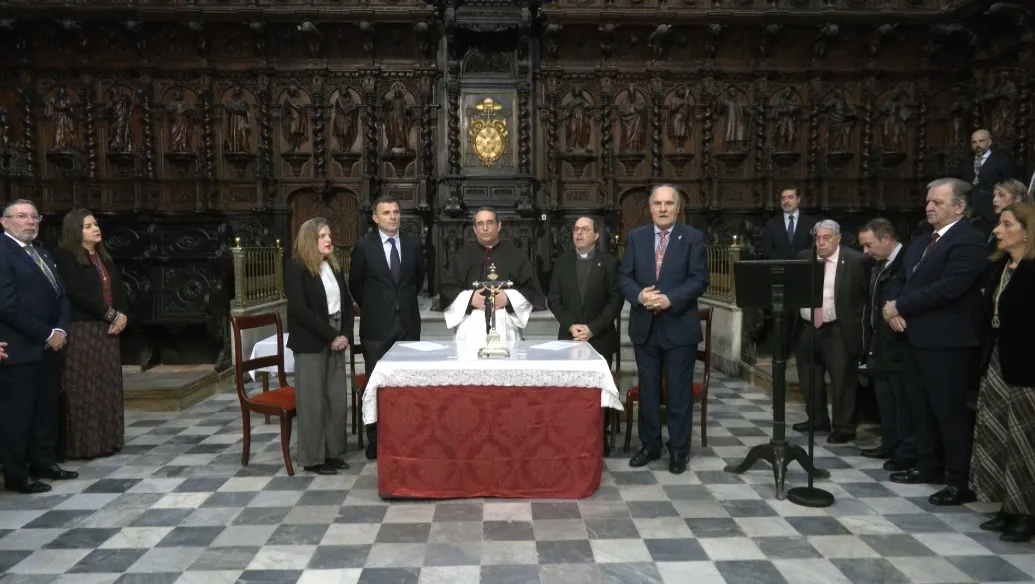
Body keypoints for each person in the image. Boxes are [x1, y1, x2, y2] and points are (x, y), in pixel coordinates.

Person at [882, 178, 988, 506]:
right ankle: (927, 464)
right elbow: (901, 277)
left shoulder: (969, 241)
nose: (929, 206)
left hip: (947, 341)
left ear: (959, 207)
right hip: (913, 336)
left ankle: (958, 480)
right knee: (919, 406)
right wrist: (892, 308)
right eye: (928, 201)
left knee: (948, 411)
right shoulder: (922, 240)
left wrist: (899, 306)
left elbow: (948, 288)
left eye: (937, 202)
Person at [619, 184, 709, 474]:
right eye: (657, 203)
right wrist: (639, 296)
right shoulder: (636, 237)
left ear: (678, 207)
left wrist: (670, 299)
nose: (662, 208)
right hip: (645, 327)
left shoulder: (693, 238)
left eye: (668, 203)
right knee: (648, 391)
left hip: (679, 327)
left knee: (678, 392)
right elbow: (625, 277)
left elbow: (698, 280)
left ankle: (679, 450)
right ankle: (650, 445)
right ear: (650, 207)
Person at [0, 199, 78, 494]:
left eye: (34, 216)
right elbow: (7, 306)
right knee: (18, 415)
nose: (30, 222)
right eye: (21, 216)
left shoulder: (42, 252)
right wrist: (46, 333)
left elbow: (61, 295)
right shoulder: (3, 253)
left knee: (45, 409)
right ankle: (18, 474)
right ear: (4, 222)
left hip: (48, 347)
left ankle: (44, 462)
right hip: (19, 348)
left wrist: (59, 328)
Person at [969, 202, 1035, 543]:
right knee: (998, 434)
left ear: (1027, 231)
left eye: (1006, 224)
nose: (997, 230)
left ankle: (1025, 513)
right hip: (995, 363)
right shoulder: (1000, 267)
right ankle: (1007, 506)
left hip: (1026, 368)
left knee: (1025, 443)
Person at [349, 195, 424, 460]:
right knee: (375, 383)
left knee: (408, 382)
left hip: (408, 324)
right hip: (377, 327)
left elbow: (418, 278)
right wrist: (376, 306)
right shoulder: (363, 246)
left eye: (396, 212)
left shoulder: (413, 243)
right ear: (375, 217)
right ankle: (375, 439)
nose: (393, 217)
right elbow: (355, 285)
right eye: (387, 213)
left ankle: (406, 432)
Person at [53, 209, 128, 460]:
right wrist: (111, 315)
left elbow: (119, 288)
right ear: (75, 230)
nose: (95, 229)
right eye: (87, 226)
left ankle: (109, 439)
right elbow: (76, 294)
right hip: (83, 328)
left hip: (107, 329)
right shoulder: (66, 257)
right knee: (84, 387)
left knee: (107, 385)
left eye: (95, 224)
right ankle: (86, 444)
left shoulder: (102, 256)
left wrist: (122, 315)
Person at [548, 216, 625, 456]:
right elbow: (554, 299)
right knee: (570, 391)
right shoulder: (561, 263)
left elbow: (615, 302)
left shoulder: (610, 264)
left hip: (600, 338)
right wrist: (571, 325)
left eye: (585, 229)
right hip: (569, 338)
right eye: (576, 230)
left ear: (596, 235)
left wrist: (592, 328)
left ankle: (598, 435)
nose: (579, 234)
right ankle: (571, 434)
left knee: (596, 391)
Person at [284, 217, 355, 476]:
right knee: (313, 401)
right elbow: (300, 310)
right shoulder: (296, 267)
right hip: (312, 340)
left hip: (336, 336)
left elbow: (346, 302)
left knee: (336, 398)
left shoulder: (333, 267)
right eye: (322, 236)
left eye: (329, 235)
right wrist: (331, 335)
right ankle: (313, 457)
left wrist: (346, 333)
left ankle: (333, 452)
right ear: (309, 239)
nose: (328, 240)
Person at [790, 220, 869, 444]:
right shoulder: (805, 258)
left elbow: (866, 295)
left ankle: (844, 426)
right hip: (808, 327)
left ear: (838, 238)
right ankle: (817, 419)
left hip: (838, 329)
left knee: (842, 379)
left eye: (826, 238)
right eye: (817, 238)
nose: (821, 243)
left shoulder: (855, 260)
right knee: (809, 377)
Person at [857, 218, 914, 471]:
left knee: (903, 402)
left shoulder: (908, 261)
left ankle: (905, 450)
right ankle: (889, 443)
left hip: (898, 344)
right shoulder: (879, 264)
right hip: (878, 343)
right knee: (885, 399)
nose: (865, 251)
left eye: (869, 245)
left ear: (887, 239)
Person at [441, 207, 545, 341]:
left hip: (505, 326)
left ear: (499, 226)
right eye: (480, 224)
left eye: (489, 223)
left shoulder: (517, 255)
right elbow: (447, 290)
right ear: (474, 229)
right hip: (470, 327)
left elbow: (532, 291)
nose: (485, 228)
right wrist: (470, 299)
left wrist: (508, 298)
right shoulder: (461, 256)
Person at [954, 129, 1015, 235]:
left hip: (992, 213)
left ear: (989, 142)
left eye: (981, 141)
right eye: (974, 142)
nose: (977, 145)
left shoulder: (1002, 161)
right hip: (970, 213)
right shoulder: (965, 165)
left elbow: (1009, 187)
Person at [761, 188, 818, 260]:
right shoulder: (771, 224)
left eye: (790, 197)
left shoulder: (812, 222)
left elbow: (816, 248)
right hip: (779, 268)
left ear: (798, 199)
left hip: (805, 268)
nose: (786, 201)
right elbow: (767, 251)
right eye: (783, 198)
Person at [986, 179, 1029, 254]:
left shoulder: (1026, 224)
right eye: (994, 196)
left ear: (1017, 199)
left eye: (1001, 195)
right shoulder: (994, 222)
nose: (994, 199)